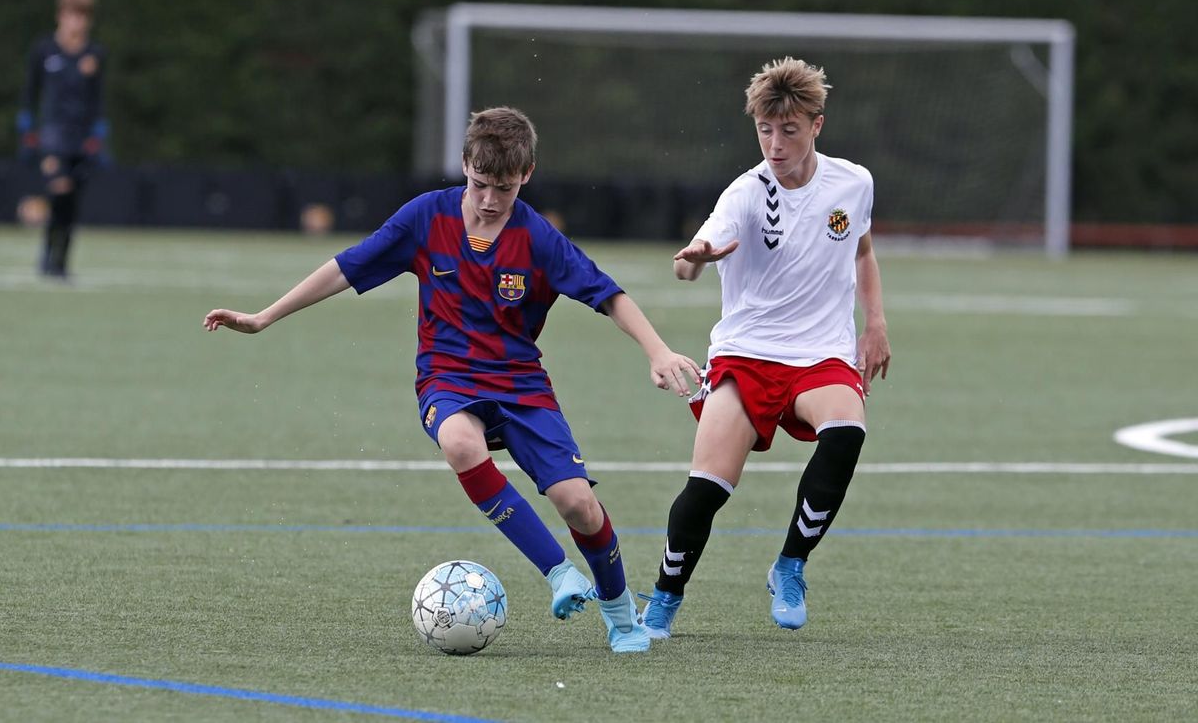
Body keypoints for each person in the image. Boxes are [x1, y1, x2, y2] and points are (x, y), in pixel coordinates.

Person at [204, 107, 701, 653]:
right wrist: (264, 316)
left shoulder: (537, 237)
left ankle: (619, 610)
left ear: (527, 175)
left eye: (505, 189)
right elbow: (346, 266)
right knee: (460, 443)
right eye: (480, 184)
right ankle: (558, 571)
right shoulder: (425, 218)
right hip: (447, 377)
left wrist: (657, 350)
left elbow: (607, 294)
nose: (490, 200)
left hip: (519, 383)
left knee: (578, 505)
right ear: (465, 165)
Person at [640, 57, 891, 636]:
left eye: (789, 130)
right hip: (745, 356)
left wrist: (874, 323)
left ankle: (790, 565)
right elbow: (690, 260)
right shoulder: (745, 195)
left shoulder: (853, 183)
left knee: (847, 430)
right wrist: (692, 261)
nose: (775, 145)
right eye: (764, 131)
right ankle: (664, 599)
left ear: (817, 126)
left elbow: (863, 251)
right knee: (706, 491)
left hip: (821, 355)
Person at [16, 0, 109, 280]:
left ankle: (61, 262)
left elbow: (97, 101)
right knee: (58, 192)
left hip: (80, 140)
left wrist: (99, 134)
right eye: (72, 14)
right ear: (61, 15)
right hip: (52, 138)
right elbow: (30, 93)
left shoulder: (95, 54)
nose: (77, 21)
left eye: (83, 15)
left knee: (72, 203)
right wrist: (28, 130)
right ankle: (46, 255)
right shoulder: (44, 49)